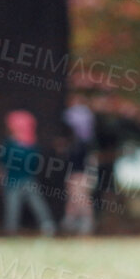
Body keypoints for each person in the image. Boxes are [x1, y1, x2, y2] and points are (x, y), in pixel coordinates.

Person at [0, 110, 55, 237]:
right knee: (14, 206)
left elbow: (2, 165)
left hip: (23, 180)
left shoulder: (19, 145)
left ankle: (46, 225)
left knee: (34, 203)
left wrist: (0, 179)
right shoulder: (23, 145)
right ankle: (12, 228)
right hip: (16, 180)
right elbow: (2, 164)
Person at [60, 101, 97, 236]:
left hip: (80, 175)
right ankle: (72, 224)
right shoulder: (78, 142)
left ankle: (86, 224)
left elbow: (87, 162)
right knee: (74, 200)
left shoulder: (82, 144)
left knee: (81, 200)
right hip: (75, 175)